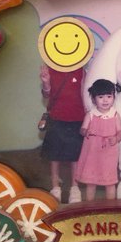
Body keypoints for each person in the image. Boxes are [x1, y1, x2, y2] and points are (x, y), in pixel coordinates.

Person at [40, 64, 85, 203]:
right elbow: (46, 94)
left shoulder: (81, 70)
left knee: (75, 156)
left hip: (77, 118)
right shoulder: (51, 69)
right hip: (56, 118)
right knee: (54, 155)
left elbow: (86, 94)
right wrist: (46, 82)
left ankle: (75, 188)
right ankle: (55, 187)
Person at [75, 79, 121, 200]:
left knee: (110, 182)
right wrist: (86, 132)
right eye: (101, 97)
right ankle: (89, 205)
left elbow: (120, 131)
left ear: (114, 97)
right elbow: (82, 129)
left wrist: (116, 138)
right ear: (93, 99)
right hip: (92, 152)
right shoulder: (91, 114)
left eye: (109, 96)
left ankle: (110, 206)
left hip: (109, 153)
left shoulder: (115, 114)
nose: (105, 100)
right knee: (91, 182)